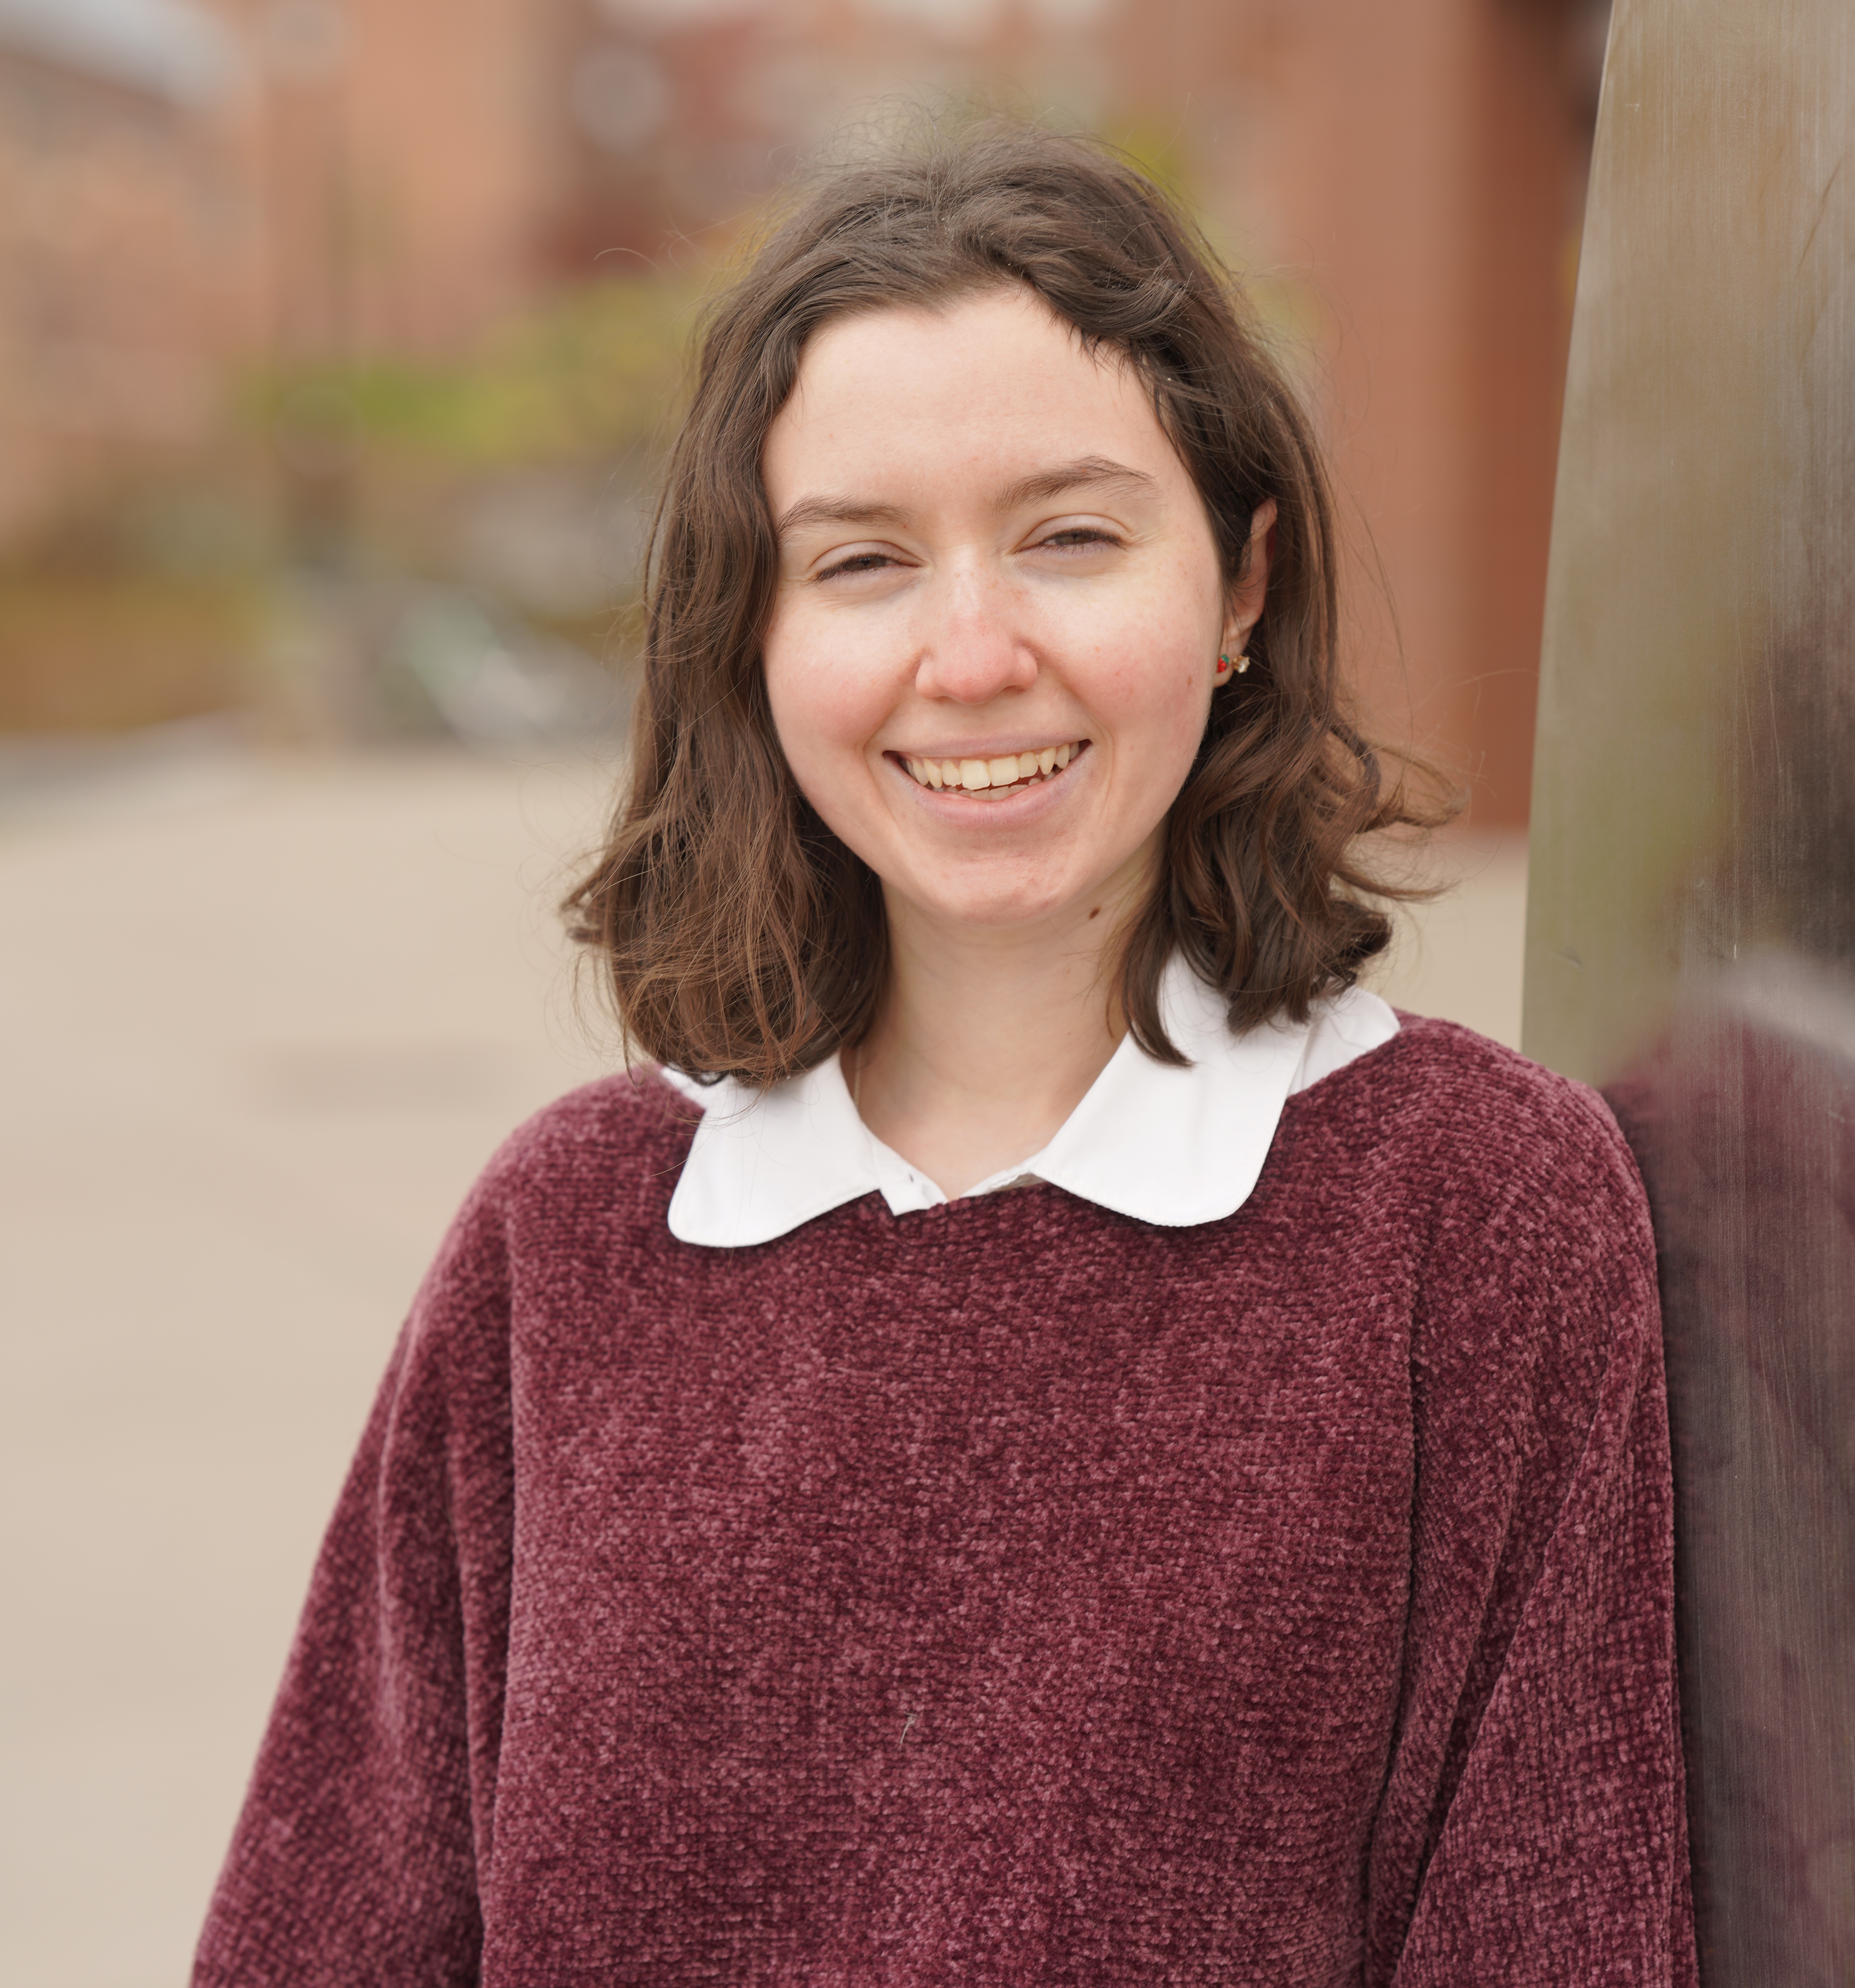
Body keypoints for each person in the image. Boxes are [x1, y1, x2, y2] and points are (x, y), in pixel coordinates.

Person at [192, 122, 1696, 1986]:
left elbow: (1560, 1931)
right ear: (753, 633)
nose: (971, 657)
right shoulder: (565, 1236)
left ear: (1242, 582)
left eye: (1070, 537)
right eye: (862, 561)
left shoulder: (1478, 1213)